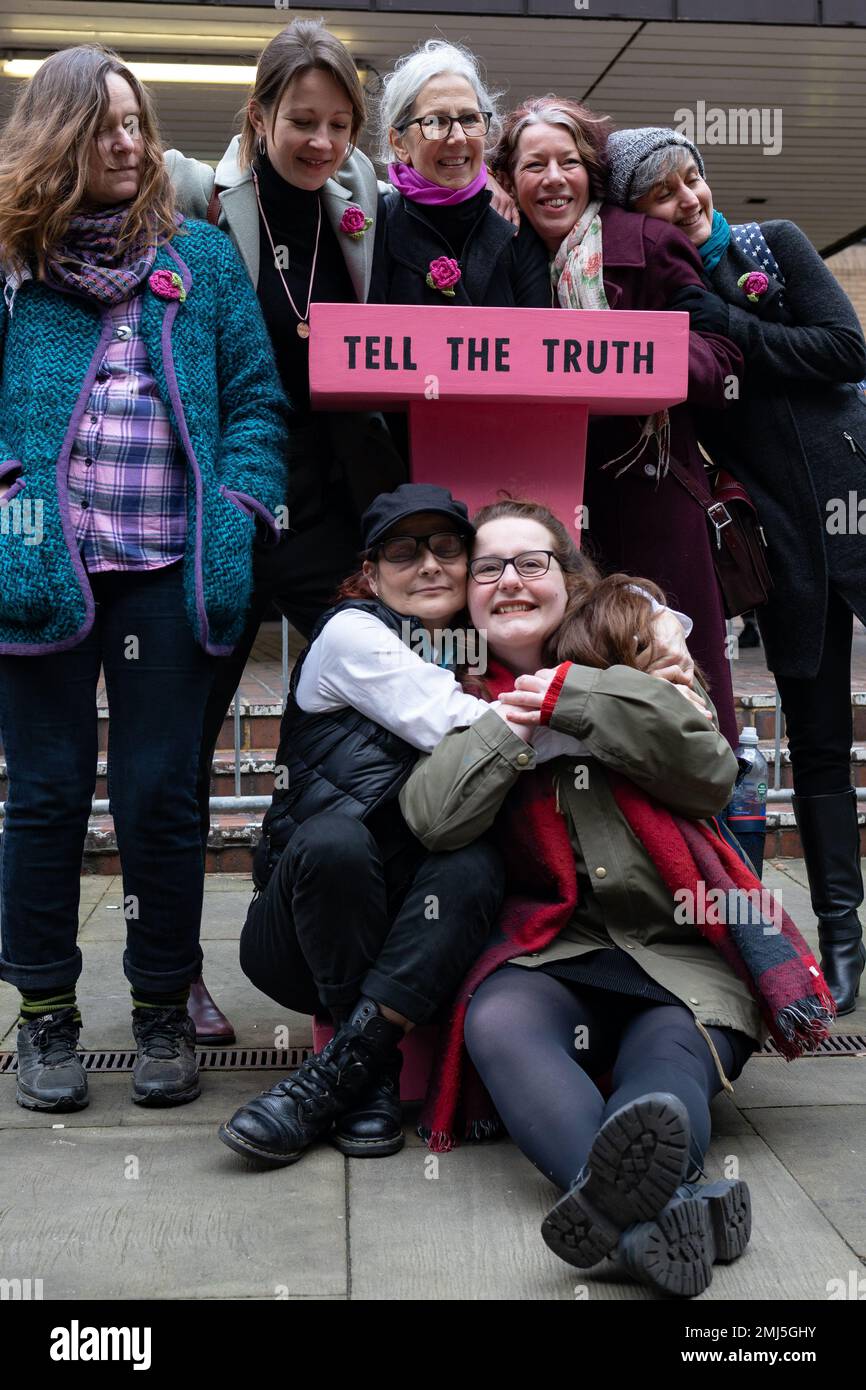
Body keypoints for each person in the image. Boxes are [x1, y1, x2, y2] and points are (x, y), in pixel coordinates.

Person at [399, 498, 833, 1297]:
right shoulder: (447, 695)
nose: (510, 582)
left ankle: (632, 1221)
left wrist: (569, 698)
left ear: (569, 578)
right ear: (468, 595)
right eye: (488, 567)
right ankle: (663, 1218)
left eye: (532, 563)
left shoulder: (637, 655)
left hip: (681, 952)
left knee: (667, 1062)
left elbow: (705, 772)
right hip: (550, 951)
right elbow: (432, 818)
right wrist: (512, 727)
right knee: (497, 1019)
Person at [216, 484, 695, 1167]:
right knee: (336, 838)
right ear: (369, 573)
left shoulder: (476, 654)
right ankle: (365, 1073)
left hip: (415, 943)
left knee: (474, 866)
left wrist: (658, 618)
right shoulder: (353, 634)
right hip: (296, 931)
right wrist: (619, 716)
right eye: (404, 551)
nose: (431, 564)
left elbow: (593, 601)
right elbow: (462, 724)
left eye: (448, 548)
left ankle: (351, 1071)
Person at [0, 46, 288, 1112]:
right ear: (58, 139)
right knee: (43, 797)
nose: (129, 143)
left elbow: (257, 404)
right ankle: (45, 1017)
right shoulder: (12, 268)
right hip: (41, 569)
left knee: (162, 798)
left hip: (171, 569)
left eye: (137, 123)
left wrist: (242, 504)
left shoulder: (199, 261)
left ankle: (161, 1003)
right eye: (104, 126)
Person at [166, 17, 408, 1040]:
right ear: (257, 115)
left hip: (331, 520)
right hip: (220, 506)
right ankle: (171, 967)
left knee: (361, 729)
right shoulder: (195, 199)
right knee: (178, 743)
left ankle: (333, 950)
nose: (319, 142)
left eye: (338, 124)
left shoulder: (366, 214)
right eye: (299, 121)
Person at [606, 125, 866, 1015]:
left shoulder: (772, 246)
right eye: (664, 193)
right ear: (637, 214)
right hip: (787, 548)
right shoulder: (659, 290)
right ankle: (843, 938)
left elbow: (845, 349)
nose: (690, 199)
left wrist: (735, 328)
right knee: (820, 742)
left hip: (859, 512)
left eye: (693, 178)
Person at [489, 98, 742, 749]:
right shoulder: (506, 258)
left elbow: (722, 358)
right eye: (533, 164)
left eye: (568, 162)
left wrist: (627, 353)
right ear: (509, 180)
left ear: (591, 174)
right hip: (553, 517)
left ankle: (705, 841)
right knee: (577, 706)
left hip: (655, 502)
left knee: (682, 697)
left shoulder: (649, 244)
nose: (553, 178)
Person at [370, 40, 549, 308]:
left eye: (469, 119)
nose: (457, 138)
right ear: (399, 143)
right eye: (434, 121)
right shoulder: (376, 226)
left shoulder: (518, 233)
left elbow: (536, 339)